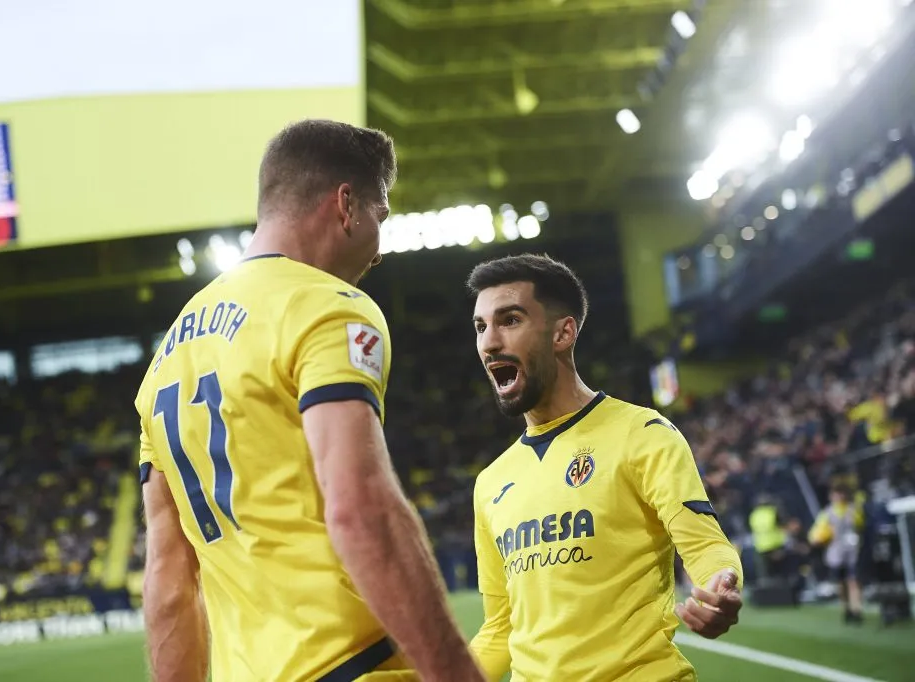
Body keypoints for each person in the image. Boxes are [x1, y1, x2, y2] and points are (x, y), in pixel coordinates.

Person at [135, 120, 484, 682]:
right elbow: (361, 510)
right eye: (381, 215)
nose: (379, 246)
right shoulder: (327, 307)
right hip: (351, 663)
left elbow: (169, 580)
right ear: (346, 204)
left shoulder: (163, 363)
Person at [465, 253, 743, 681]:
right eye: (481, 326)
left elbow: (705, 546)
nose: (489, 342)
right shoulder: (490, 483)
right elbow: (501, 627)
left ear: (563, 332)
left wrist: (720, 582)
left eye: (510, 320)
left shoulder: (643, 433)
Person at [809, 482, 865, 624]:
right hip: (836, 553)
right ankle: (846, 608)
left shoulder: (853, 510)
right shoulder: (828, 512)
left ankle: (856, 610)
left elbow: (860, 526)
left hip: (852, 551)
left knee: (853, 581)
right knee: (841, 583)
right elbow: (817, 532)